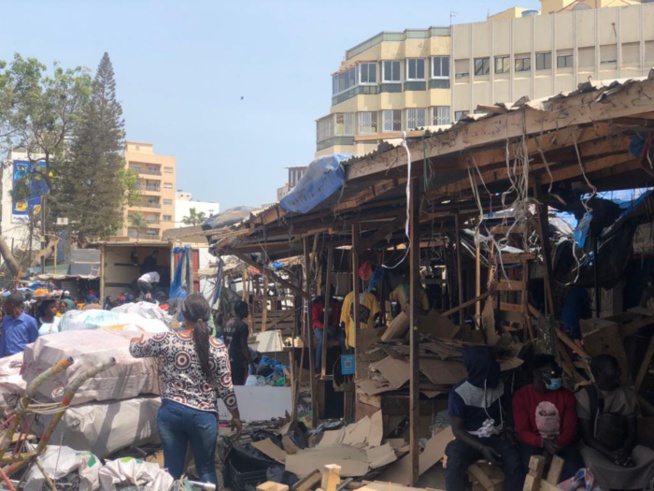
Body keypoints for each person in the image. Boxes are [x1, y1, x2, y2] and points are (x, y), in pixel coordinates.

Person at [129, 293, 241, 485]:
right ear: (207, 315)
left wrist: (135, 341)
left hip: (171, 413)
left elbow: (135, 351)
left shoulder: (167, 339)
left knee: (172, 472)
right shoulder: (217, 346)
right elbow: (226, 388)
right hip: (203, 417)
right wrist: (236, 416)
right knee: (205, 469)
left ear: (183, 314)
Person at [444, 345, 524, 491]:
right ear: (480, 367)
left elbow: (511, 409)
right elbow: (457, 430)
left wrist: (509, 427)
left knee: (514, 462)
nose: (497, 366)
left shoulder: (500, 387)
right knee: (455, 461)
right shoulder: (459, 393)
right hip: (469, 439)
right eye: (492, 363)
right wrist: (482, 447)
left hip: (495, 438)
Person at [576, 354, 654, 490]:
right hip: (596, 448)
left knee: (650, 457)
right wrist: (612, 456)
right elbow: (587, 438)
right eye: (613, 370)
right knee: (593, 464)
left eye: (618, 369)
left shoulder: (626, 394)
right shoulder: (586, 395)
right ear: (599, 373)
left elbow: (632, 433)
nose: (619, 373)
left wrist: (625, 451)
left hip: (623, 446)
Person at [512, 354, 584, 480]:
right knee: (527, 471)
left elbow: (570, 429)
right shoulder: (521, 396)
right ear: (538, 374)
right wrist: (543, 443)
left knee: (573, 470)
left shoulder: (567, 396)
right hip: (534, 443)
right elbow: (523, 431)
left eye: (558, 372)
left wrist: (555, 445)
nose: (557, 376)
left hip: (562, 443)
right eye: (552, 372)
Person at [217, 301, 255, 386]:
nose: (248, 312)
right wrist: (251, 363)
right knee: (239, 386)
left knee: (230, 386)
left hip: (228, 360)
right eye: (246, 309)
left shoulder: (227, 324)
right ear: (241, 311)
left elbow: (225, 343)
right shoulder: (243, 326)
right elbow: (244, 347)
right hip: (238, 362)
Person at [311, 292, 344, 374]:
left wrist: (334, 326)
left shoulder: (335, 303)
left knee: (343, 339)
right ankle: (317, 366)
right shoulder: (316, 303)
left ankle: (346, 365)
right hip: (319, 327)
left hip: (332, 327)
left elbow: (337, 316)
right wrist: (325, 327)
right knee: (321, 340)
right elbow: (315, 320)